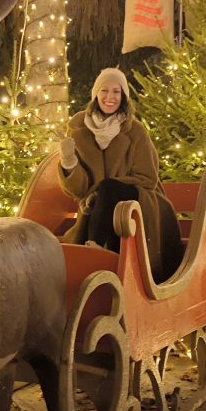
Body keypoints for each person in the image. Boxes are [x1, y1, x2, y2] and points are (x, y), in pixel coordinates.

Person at [58, 67, 184, 283]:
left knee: (108, 188)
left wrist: (101, 189)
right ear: (96, 94)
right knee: (102, 195)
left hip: (140, 200)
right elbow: (80, 190)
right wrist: (69, 161)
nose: (110, 97)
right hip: (97, 206)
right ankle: (94, 266)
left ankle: (95, 251)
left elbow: (148, 178)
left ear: (123, 96)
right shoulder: (80, 131)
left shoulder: (135, 130)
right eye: (104, 91)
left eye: (116, 92)